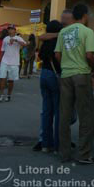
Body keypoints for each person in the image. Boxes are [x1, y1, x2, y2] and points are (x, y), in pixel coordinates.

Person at [55, 5, 94, 164]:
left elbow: (57, 55)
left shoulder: (63, 32)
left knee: (64, 115)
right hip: (81, 75)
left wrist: (66, 65)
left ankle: (64, 153)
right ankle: (84, 154)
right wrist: (92, 68)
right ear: (85, 15)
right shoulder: (88, 32)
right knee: (85, 115)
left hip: (65, 75)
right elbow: (89, 55)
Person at [38, 20, 62, 153]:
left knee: (46, 110)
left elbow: (41, 56)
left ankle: (45, 144)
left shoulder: (46, 41)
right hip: (54, 75)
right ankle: (57, 145)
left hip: (44, 74)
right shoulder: (59, 41)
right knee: (58, 111)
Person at [0, 25, 26, 102]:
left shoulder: (18, 38)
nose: (10, 30)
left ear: (15, 30)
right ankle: (1, 95)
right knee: (2, 78)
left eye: (12, 29)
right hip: (5, 61)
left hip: (14, 62)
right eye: (9, 29)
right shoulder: (5, 39)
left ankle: (9, 95)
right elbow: (2, 50)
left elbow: (25, 44)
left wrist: (16, 41)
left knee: (11, 80)